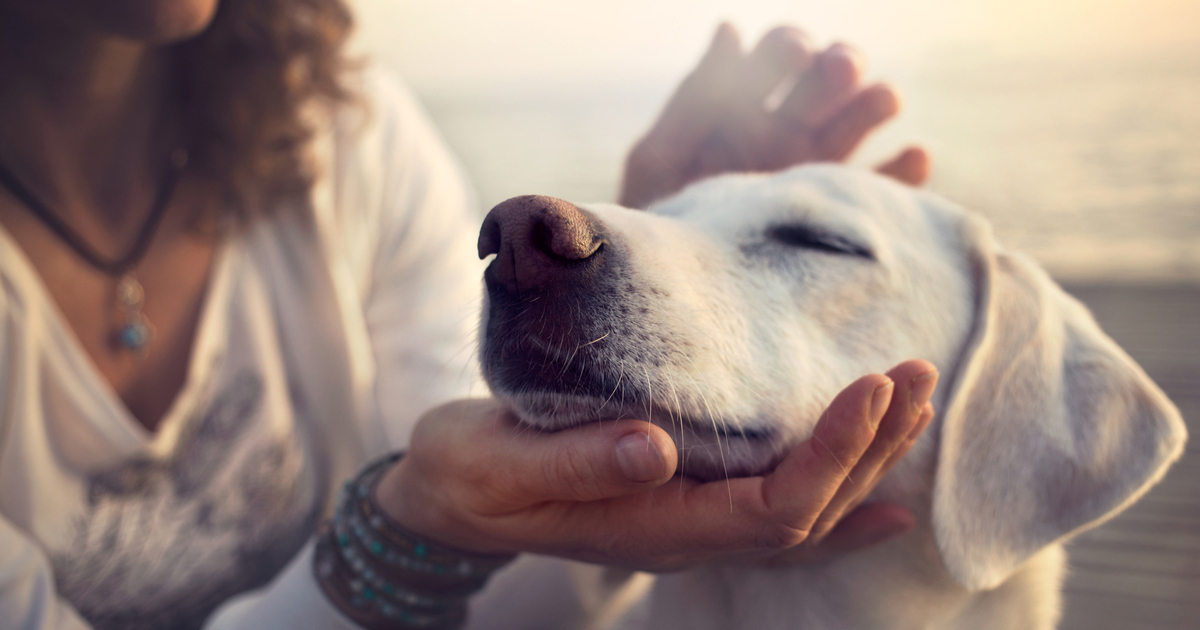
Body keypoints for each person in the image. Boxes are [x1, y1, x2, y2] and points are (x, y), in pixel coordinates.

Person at [0, 0, 936, 628]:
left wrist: (666, 279)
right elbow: (451, 524)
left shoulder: (338, 135)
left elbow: (502, 593)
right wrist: (409, 524)